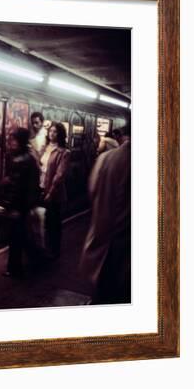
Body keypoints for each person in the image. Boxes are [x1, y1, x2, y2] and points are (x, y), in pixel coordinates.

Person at [79, 126, 131, 304]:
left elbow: (92, 191)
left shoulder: (106, 159)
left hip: (102, 241)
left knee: (103, 294)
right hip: (126, 253)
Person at [0, 127, 40, 277]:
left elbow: (16, 188)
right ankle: (33, 262)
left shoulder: (20, 160)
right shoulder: (28, 158)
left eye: (14, 139)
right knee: (22, 237)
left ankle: (14, 269)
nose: (11, 142)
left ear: (21, 141)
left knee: (16, 239)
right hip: (24, 206)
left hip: (18, 207)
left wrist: (8, 206)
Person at [39, 122, 70, 259]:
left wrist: (51, 193)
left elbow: (59, 175)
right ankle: (43, 248)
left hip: (54, 193)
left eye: (55, 131)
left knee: (54, 223)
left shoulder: (64, 152)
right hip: (40, 188)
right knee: (43, 221)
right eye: (51, 131)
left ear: (61, 134)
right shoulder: (44, 148)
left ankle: (54, 250)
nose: (52, 133)